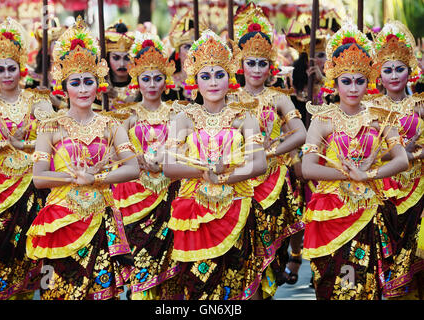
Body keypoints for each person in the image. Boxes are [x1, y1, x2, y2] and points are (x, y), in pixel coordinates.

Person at [25, 17, 140, 300]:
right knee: (58, 292)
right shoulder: (50, 126)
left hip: (100, 217)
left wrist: (96, 178)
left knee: (101, 294)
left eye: (89, 81)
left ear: (98, 84)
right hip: (59, 220)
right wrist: (73, 177)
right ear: (64, 88)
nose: (83, 89)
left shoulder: (111, 124)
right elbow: (39, 178)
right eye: (75, 82)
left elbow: (133, 168)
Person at [301, 21, 409, 300]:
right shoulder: (323, 120)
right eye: (346, 81)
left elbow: (401, 160)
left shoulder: (380, 116)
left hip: (368, 210)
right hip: (329, 211)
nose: (353, 88)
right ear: (334, 82)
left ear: (368, 81)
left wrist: (369, 176)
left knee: (361, 285)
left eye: (360, 80)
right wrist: (349, 175)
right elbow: (307, 167)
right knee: (329, 283)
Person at [162, 30, 268, 300]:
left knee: (238, 278)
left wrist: (225, 176)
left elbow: (259, 163)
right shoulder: (184, 117)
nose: (213, 83)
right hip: (194, 209)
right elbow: (169, 166)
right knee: (198, 282)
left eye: (219, 75)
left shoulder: (244, 116)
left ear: (230, 77)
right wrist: (203, 172)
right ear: (194, 80)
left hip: (237, 203)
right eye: (205, 76)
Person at [229, 2, 307, 297]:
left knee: (270, 252)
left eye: (263, 63)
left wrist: (273, 152)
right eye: (251, 62)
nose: (257, 69)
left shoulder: (278, 97)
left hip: (273, 183)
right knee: (241, 251)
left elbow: (300, 134)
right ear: (241, 64)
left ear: (270, 65)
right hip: (239, 181)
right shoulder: (228, 98)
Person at [0, 17, 52, 300]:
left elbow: (54, 140)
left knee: (36, 257)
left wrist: (27, 145)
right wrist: (7, 144)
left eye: (12, 68)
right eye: (1, 69)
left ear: (22, 69)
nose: (7, 74)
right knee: (1, 256)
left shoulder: (39, 100)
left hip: (34, 186)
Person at [111, 32, 180, 300]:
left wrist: (171, 156)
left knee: (170, 268)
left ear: (166, 80)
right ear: (136, 80)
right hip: (134, 197)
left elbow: (187, 147)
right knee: (140, 266)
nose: (152, 84)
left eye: (158, 78)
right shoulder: (125, 115)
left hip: (169, 195)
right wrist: (132, 158)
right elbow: (111, 153)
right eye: (146, 78)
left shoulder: (178, 113)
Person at [369, 21, 424, 299]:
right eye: (387, 70)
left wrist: (414, 152)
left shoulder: (420, 105)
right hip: (383, 195)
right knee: (386, 266)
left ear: (409, 72)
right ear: (378, 74)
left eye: (399, 69)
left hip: (419, 191)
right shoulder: (369, 109)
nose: (393, 75)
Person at [165, 11, 205, 102]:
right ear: (177, 52)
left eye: (196, 47)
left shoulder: (208, 79)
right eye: (187, 47)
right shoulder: (169, 82)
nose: (192, 51)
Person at [104, 20, 137, 108]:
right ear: (108, 58)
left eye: (127, 58)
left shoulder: (141, 84)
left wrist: (117, 95)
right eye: (116, 58)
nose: (122, 64)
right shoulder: (99, 85)